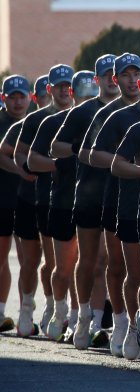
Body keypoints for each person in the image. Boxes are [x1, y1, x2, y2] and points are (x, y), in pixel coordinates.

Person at [51, 53, 127, 353]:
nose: (112, 78)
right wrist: (82, 150)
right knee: (90, 261)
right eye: (106, 74)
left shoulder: (133, 111)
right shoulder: (84, 112)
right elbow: (56, 146)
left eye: (116, 73)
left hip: (121, 194)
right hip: (87, 194)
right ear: (97, 80)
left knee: (113, 263)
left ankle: (109, 322)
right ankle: (84, 316)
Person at [92, 61, 140, 359]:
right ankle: (124, 323)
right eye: (127, 76)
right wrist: (135, 165)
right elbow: (91, 154)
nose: (133, 81)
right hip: (123, 198)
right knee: (123, 269)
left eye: (137, 75)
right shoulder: (118, 117)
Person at [28, 70, 99, 345]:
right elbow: (32, 162)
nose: (85, 100)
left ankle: (80, 316)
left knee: (94, 264)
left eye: (90, 95)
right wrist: (60, 163)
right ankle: (58, 309)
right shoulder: (54, 122)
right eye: (80, 94)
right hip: (60, 200)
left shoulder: (103, 119)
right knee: (62, 268)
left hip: (91, 202)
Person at [14, 64, 76, 341]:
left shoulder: (80, 116)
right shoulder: (37, 119)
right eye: (59, 86)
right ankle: (28, 308)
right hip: (36, 198)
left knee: (68, 262)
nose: (64, 90)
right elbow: (17, 155)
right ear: (49, 89)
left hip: (71, 199)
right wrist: (48, 169)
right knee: (37, 262)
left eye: (68, 85)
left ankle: (61, 311)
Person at [0, 75, 32, 335]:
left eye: (22, 96)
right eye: (13, 96)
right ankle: (0, 312)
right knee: (0, 259)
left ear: (30, 97)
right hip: (2, 198)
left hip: (26, 199)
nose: (18, 101)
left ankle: (25, 315)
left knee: (26, 261)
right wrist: (21, 170)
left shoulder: (35, 122)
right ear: (4, 98)